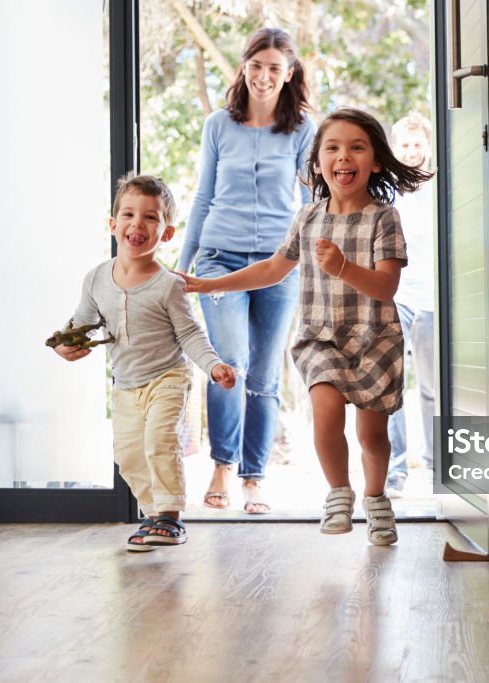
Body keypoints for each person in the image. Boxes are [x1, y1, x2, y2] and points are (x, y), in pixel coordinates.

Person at [178, 108, 433, 545]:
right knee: (326, 413)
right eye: (331, 148)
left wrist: (343, 267)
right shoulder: (308, 218)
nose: (343, 156)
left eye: (356, 147)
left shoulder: (384, 218)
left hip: (375, 338)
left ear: (374, 160)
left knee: (372, 434)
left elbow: (387, 286)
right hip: (322, 338)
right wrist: (209, 282)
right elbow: (273, 269)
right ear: (316, 163)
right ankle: (338, 492)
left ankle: (376, 498)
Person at [54, 172, 237, 551]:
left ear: (166, 233)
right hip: (125, 384)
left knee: (159, 440)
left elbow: (189, 334)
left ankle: (170, 518)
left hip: (167, 376)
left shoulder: (169, 284)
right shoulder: (95, 279)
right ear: (113, 225)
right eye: (128, 215)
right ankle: (153, 514)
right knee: (129, 454)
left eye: (151, 217)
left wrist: (213, 365)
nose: (138, 223)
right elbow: (81, 324)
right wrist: (64, 344)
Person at [176, 27, 316, 514]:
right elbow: (202, 196)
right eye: (256, 66)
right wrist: (182, 265)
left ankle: (254, 477)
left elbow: (309, 204)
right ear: (243, 68)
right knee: (227, 364)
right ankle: (221, 466)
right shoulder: (219, 124)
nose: (263, 76)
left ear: (289, 73)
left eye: (274, 68)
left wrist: (313, 262)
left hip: (280, 265)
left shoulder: (302, 130)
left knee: (264, 373)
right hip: (219, 259)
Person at [385, 113, 437, 498]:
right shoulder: (387, 193)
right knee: (393, 386)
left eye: (418, 144)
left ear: (428, 147)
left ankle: (437, 466)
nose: (412, 151)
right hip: (396, 297)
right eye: (404, 144)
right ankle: (395, 471)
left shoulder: (440, 187)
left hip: (433, 298)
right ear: (394, 148)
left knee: (432, 388)